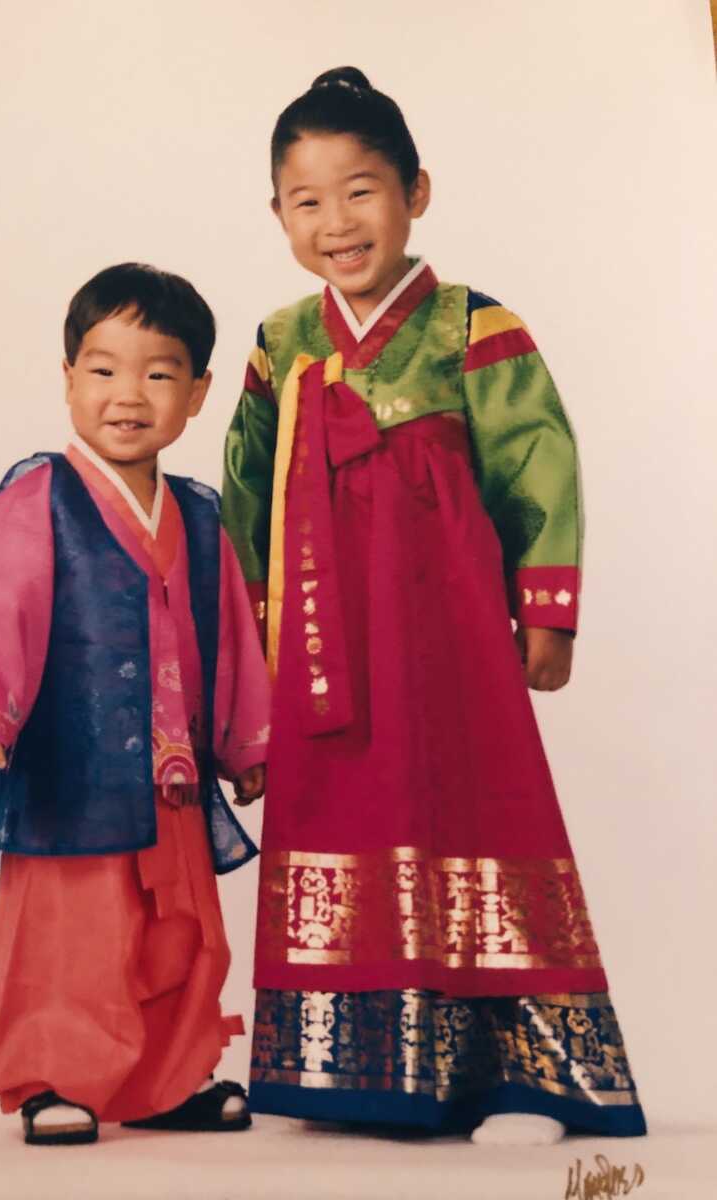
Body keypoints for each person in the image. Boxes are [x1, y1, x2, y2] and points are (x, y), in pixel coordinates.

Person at [222, 67, 645, 1146]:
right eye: (306, 202)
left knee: (475, 812)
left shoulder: (471, 326)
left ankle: (517, 1075)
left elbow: (536, 466)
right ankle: (343, 1074)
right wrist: (244, 657)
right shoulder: (281, 344)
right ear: (278, 216)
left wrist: (545, 609)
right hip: (324, 650)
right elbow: (242, 506)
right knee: (342, 820)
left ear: (417, 191)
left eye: (360, 191)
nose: (336, 222)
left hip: (450, 641)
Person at [0, 263, 270, 1145]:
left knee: (179, 932)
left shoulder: (200, 515)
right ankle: (53, 1076)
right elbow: (2, 605)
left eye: (159, 373)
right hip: (69, 764)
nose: (128, 394)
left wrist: (250, 744)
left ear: (198, 392)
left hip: (172, 770)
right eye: (103, 369)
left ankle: (168, 1078)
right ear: (66, 377)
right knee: (68, 931)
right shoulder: (37, 496)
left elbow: (234, 634)